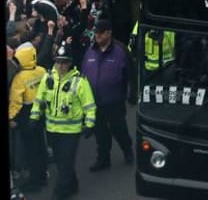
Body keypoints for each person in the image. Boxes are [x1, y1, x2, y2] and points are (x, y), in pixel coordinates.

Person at [30, 41, 96, 200]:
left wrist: (90, 124)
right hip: (52, 130)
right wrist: (34, 117)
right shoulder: (47, 78)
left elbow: (89, 105)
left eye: (64, 62)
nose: (60, 65)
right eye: (58, 61)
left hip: (71, 132)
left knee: (65, 163)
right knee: (61, 162)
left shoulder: (80, 81)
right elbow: (39, 100)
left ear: (70, 63)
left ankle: (59, 193)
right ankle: (72, 184)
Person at [81, 17, 134, 171]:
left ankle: (127, 150)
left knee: (119, 128)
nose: (96, 36)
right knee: (100, 133)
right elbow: (84, 72)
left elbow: (130, 73)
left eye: (100, 33)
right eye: (95, 32)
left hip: (114, 101)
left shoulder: (121, 50)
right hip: (94, 102)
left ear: (108, 33)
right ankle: (103, 159)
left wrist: (131, 95)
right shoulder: (90, 51)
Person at [8, 42, 48, 192]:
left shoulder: (19, 78)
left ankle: (35, 181)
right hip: (41, 113)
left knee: (31, 150)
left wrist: (11, 118)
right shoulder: (41, 70)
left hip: (26, 117)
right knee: (40, 145)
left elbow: (16, 102)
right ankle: (43, 175)